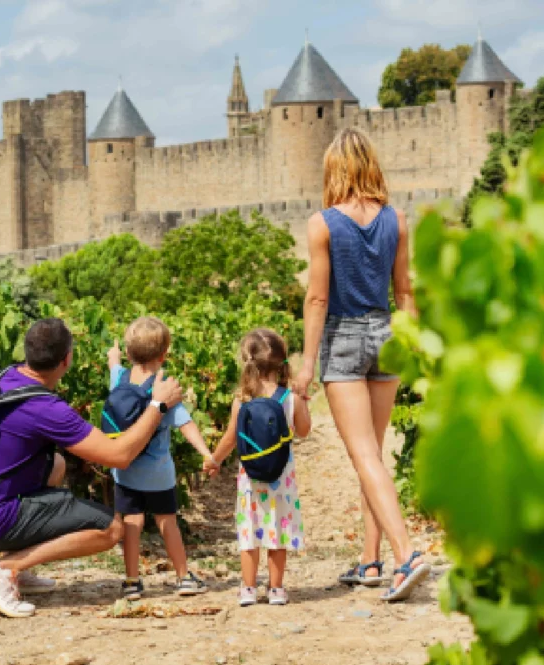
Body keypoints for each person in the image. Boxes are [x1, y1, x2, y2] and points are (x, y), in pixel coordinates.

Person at [0, 318, 184, 618]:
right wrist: (157, 406)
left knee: (55, 464)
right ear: (67, 359)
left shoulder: (6, 376)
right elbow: (119, 455)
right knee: (110, 528)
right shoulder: (46, 408)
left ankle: (18, 563)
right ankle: (5, 569)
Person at [291, 128, 431, 602]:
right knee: (372, 452)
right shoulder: (398, 219)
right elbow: (406, 291)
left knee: (365, 456)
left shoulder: (323, 223)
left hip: (344, 337)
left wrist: (307, 363)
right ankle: (371, 561)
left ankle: (405, 554)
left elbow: (316, 297)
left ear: (335, 169)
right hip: (388, 336)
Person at [105, 317, 213, 600]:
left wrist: (114, 357)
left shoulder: (120, 381)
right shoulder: (163, 389)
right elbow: (186, 424)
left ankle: (131, 581)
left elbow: (114, 367)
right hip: (158, 474)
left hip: (125, 470)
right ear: (164, 354)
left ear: (129, 354)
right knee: (167, 521)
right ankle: (183, 577)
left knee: (132, 521)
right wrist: (206, 453)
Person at [205, 329, 311, 606]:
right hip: (281, 477)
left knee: (249, 530)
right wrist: (304, 402)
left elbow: (230, 438)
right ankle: (276, 588)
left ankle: (248, 588)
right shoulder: (290, 397)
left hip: (250, 477)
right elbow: (303, 431)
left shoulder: (242, 400)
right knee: (278, 527)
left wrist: (214, 460)